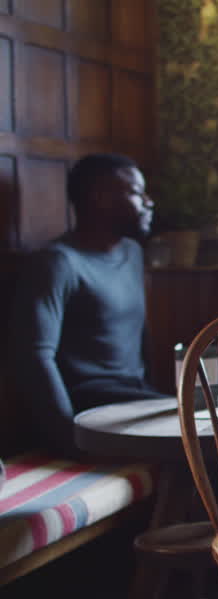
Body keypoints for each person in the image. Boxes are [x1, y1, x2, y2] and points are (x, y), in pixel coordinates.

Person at [8, 153, 166, 457]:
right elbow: (35, 357)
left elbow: (140, 334)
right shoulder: (57, 263)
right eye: (136, 192)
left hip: (136, 400)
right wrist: (69, 439)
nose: (149, 201)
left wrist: (152, 396)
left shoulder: (132, 253)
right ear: (100, 199)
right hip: (90, 407)